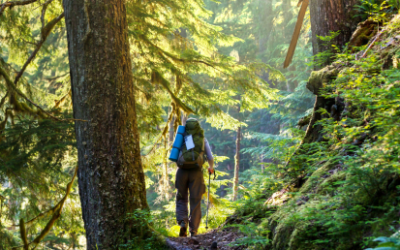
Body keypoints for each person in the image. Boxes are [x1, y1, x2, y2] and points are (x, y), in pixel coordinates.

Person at [175, 118, 214, 237]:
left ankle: (183, 223)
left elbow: (174, 154)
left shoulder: (181, 138)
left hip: (181, 172)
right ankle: (193, 230)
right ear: (198, 127)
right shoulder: (202, 139)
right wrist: (210, 168)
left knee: (181, 198)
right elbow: (210, 157)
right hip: (196, 172)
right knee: (195, 200)